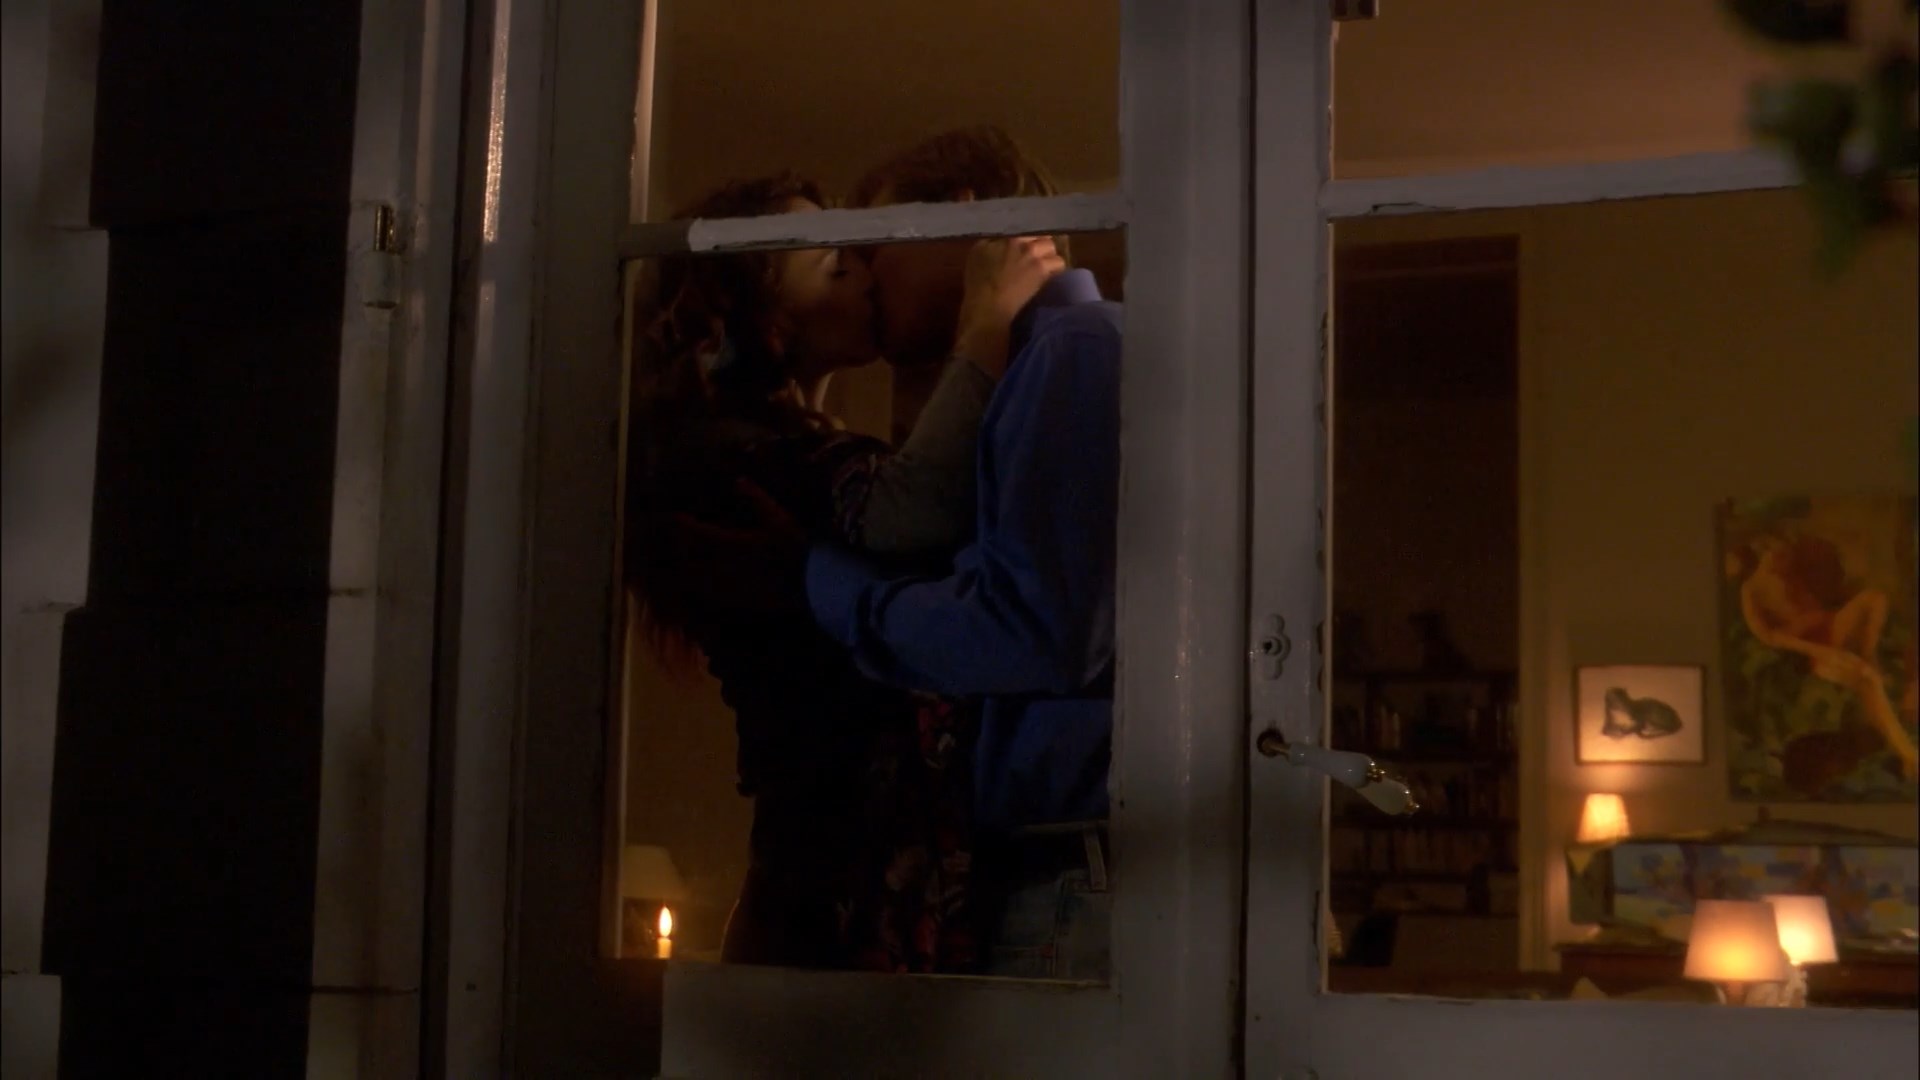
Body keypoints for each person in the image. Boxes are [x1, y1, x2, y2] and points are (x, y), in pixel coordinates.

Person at [680, 127, 1123, 980]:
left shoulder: (1072, 350)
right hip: (1006, 867)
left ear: (964, 219)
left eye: (874, 246)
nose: (865, 275)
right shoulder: (1021, 375)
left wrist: (815, 578)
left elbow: (1031, 628)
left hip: (1068, 866)